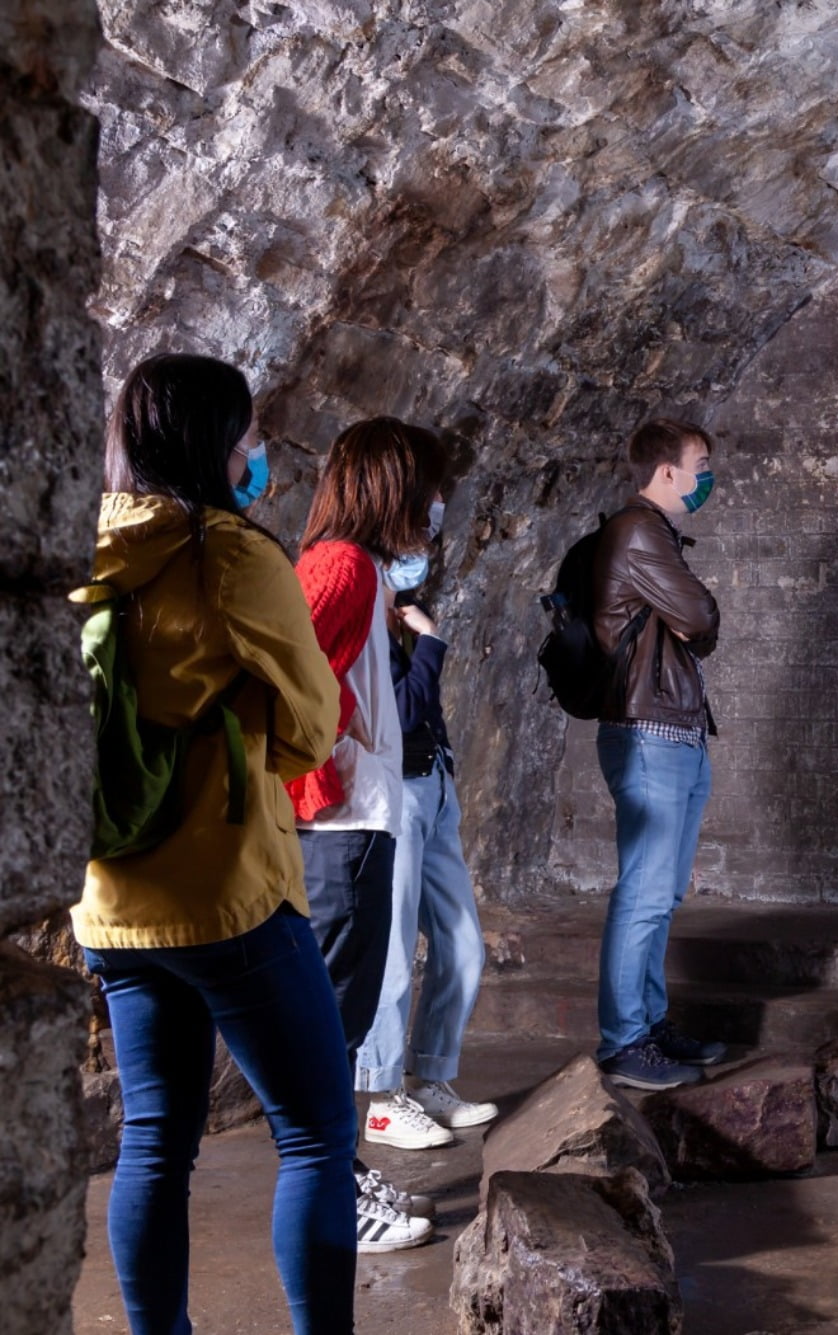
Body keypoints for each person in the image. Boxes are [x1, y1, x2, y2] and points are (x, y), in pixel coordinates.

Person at [72, 353, 355, 1331]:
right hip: (228, 894)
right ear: (217, 446)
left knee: (154, 1142)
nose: (257, 452)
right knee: (318, 1135)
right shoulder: (229, 555)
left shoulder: (83, 552)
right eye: (247, 434)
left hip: (112, 904)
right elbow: (314, 727)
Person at [288, 417, 445, 1252]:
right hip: (338, 825)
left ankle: (340, 1174)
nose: (434, 508)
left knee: (341, 1023)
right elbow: (287, 677)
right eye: (427, 489)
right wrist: (325, 770)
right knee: (331, 1026)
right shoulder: (343, 566)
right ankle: (332, 1199)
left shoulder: (358, 571)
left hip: (355, 818)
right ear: (396, 485)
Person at [351, 488, 499, 1148]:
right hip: (398, 793)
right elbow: (400, 712)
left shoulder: (400, 606)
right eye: (423, 525)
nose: (431, 543)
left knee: (464, 943)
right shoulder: (366, 604)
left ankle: (432, 1077)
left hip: (434, 785)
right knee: (392, 954)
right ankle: (383, 1099)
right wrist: (432, 646)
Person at [591, 417, 730, 1090]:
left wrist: (690, 616)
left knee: (662, 892)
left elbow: (692, 630)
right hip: (650, 734)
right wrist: (694, 611)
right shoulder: (640, 531)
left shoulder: (658, 535)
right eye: (700, 464)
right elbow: (700, 618)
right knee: (644, 893)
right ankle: (623, 1041)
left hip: (673, 730)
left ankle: (648, 1022)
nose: (707, 477)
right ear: (667, 471)